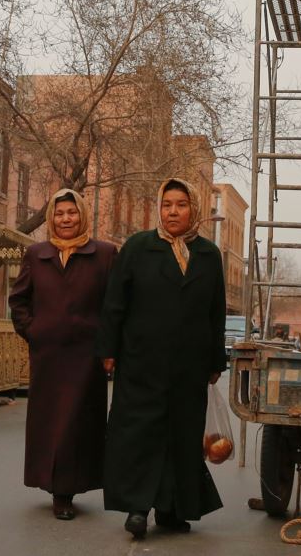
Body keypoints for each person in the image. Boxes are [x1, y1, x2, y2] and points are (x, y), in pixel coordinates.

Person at [96, 178, 226, 539]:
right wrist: (108, 349)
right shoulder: (139, 247)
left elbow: (215, 312)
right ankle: (138, 508)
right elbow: (114, 303)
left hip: (189, 366)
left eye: (181, 204)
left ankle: (172, 508)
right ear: (159, 208)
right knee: (141, 435)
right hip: (140, 362)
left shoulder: (208, 255)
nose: (173, 211)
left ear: (193, 209)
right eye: (167, 204)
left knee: (182, 437)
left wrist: (216, 360)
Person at [8, 188, 116, 521]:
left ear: (82, 215)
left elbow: (114, 306)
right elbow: (19, 300)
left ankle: (68, 488)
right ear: (51, 218)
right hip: (49, 356)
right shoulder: (36, 253)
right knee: (52, 422)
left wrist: (109, 347)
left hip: (87, 356)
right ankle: (57, 488)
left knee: (78, 423)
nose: (66, 219)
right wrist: (35, 331)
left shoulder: (105, 253)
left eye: (72, 213)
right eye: (59, 213)